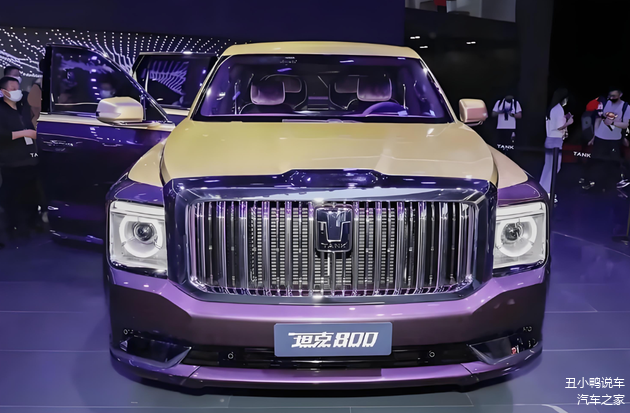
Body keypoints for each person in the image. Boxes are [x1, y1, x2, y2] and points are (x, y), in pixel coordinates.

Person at [0, 76, 40, 239]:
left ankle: (31, 222)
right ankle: (14, 226)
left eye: (17, 88)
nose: (16, 91)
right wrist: (23, 133)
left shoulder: (23, 108)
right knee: (12, 195)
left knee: (31, 193)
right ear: (4, 92)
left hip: (30, 157)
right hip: (11, 160)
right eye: (12, 88)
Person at [582, 88, 630, 192]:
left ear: (620, 95)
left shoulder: (625, 107)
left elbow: (625, 124)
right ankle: (591, 182)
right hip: (600, 138)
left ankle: (613, 184)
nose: (612, 98)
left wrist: (614, 125)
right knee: (596, 160)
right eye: (610, 95)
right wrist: (594, 136)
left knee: (614, 162)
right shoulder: (606, 103)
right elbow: (598, 119)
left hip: (614, 139)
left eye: (614, 95)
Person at [540, 88, 573, 202]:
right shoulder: (558, 109)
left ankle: (543, 190)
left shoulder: (551, 108)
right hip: (555, 141)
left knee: (548, 167)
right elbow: (559, 127)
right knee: (554, 167)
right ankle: (548, 192)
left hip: (550, 139)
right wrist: (569, 122)